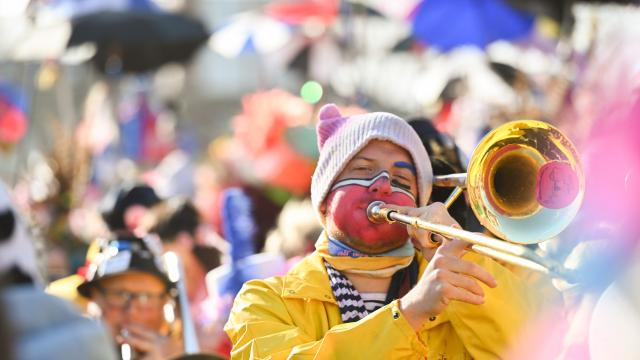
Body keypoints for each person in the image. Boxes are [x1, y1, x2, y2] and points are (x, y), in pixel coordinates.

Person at [225, 104, 545, 358]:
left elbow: (538, 349)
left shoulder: (465, 275)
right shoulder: (264, 301)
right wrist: (408, 314)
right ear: (324, 199)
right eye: (362, 170)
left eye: (402, 181)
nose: (382, 184)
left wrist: (465, 262)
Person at [77, 233, 181, 360]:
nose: (132, 311)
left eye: (146, 297)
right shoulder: (64, 351)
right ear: (94, 298)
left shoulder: (186, 352)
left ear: (165, 302)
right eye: (120, 295)